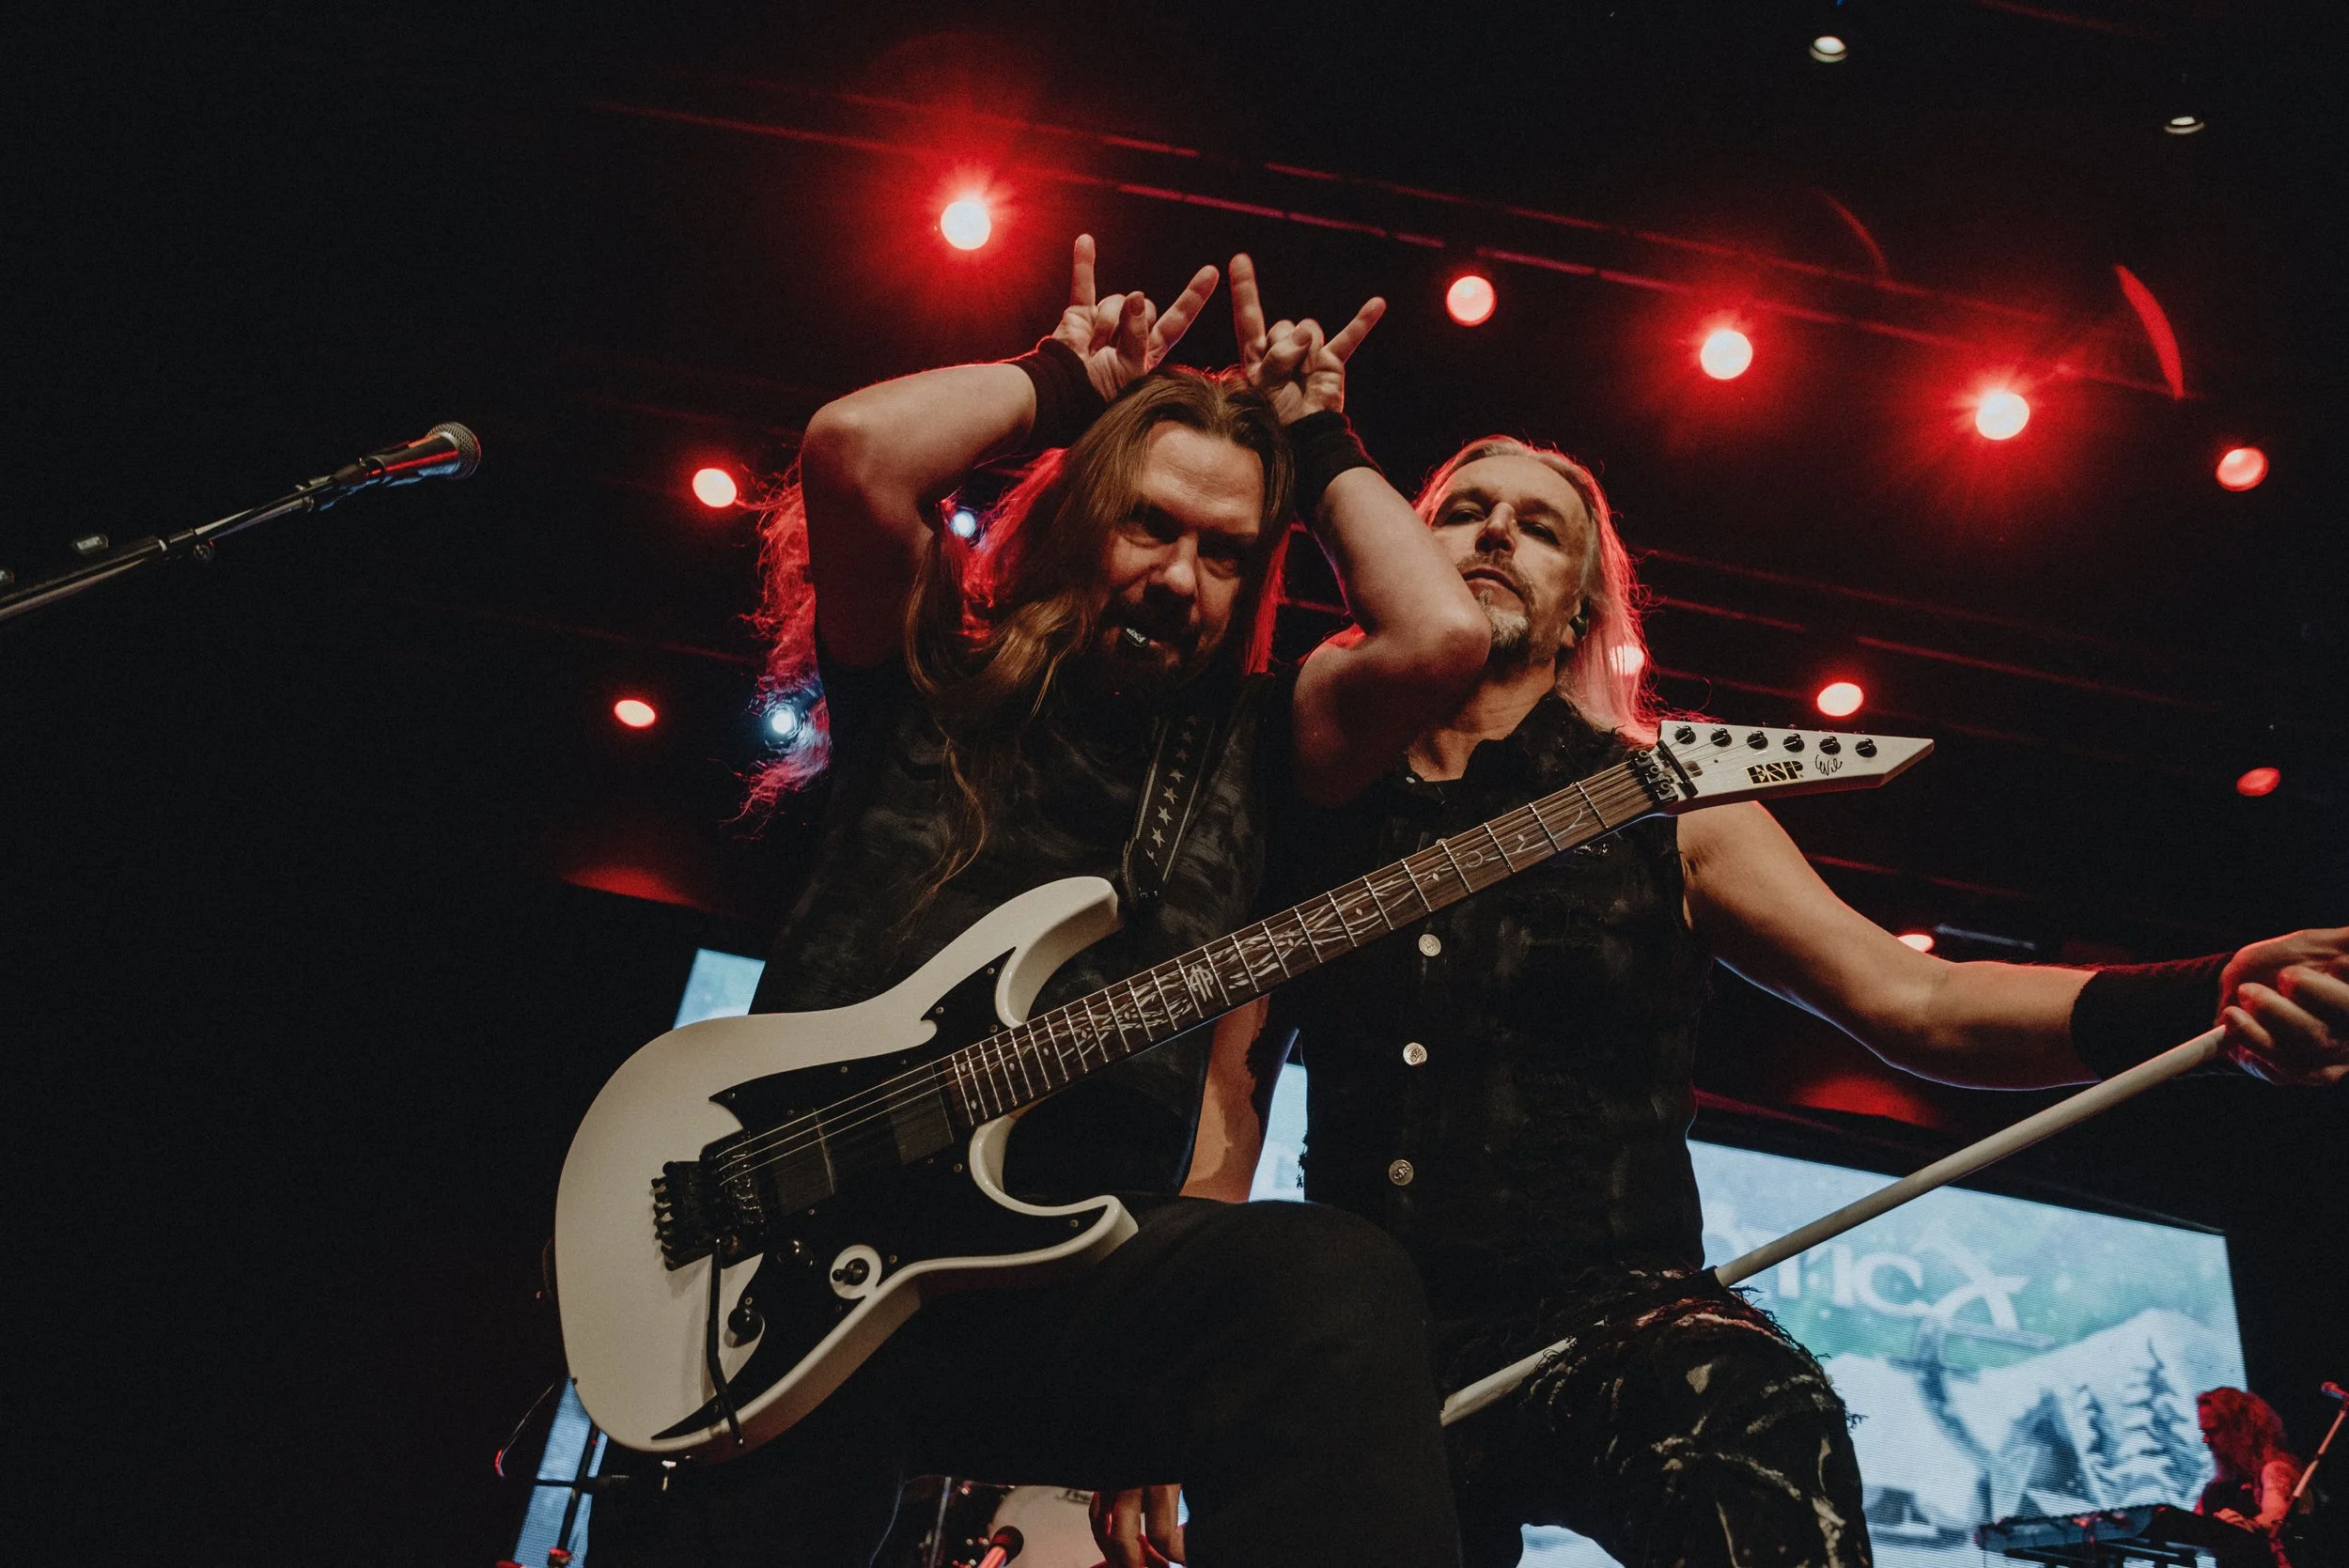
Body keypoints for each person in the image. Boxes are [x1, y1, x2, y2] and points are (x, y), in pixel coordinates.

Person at [1099, 433, 2349, 1568]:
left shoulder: (1670, 800)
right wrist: (1169, 1376)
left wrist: (2203, 1006)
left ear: (1584, 595)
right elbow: (1230, 1092)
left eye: (1536, 525)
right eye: (1461, 510)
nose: (1492, 534)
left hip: (1612, 1315)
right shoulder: (1315, 796)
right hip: (1363, 1332)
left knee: (1760, 1412)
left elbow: (1916, 998)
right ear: (1396, 555)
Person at [591, 240, 1490, 1568]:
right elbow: (853, 450)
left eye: (1227, 553)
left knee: (1332, 1286)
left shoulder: (1260, 748)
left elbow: (1441, 641)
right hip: (793, 1251)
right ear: (1085, 516)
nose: (1181, 578)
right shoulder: (933, 669)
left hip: (1057, 1278)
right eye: (1152, 526)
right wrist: (1062, 379)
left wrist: (1320, 438)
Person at [2198, 1387, 2306, 1537]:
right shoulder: (2214, 1489)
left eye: (2213, 1431)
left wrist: (2249, 1525)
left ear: (2240, 1428)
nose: (2205, 1440)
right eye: (2204, 1432)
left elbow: (2275, 1515)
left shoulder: (2275, 1470)